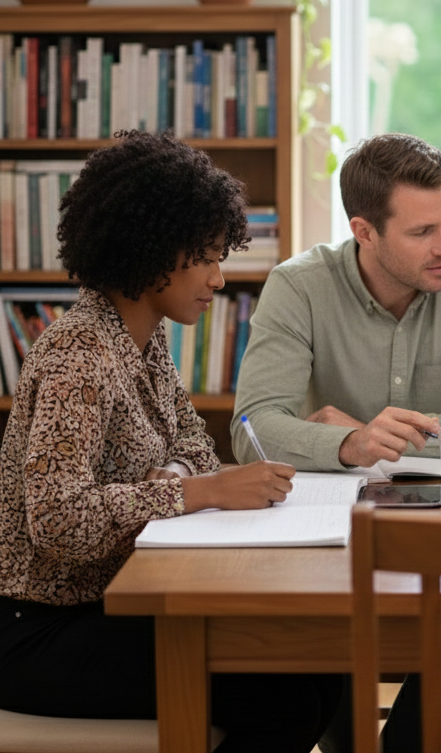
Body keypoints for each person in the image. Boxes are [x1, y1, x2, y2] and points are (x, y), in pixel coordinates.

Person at [0, 131, 342, 753]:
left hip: (107, 602)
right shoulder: (81, 353)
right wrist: (192, 492)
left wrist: (176, 478)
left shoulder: (144, 335)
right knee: (287, 697)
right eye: (206, 257)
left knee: (321, 666)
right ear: (150, 248)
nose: (219, 277)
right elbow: (55, 517)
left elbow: (194, 443)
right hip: (35, 628)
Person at [231, 131, 441, 752]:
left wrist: (364, 437)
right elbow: (254, 427)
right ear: (364, 231)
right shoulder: (299, 286)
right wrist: (351, 447)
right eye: (423, 232)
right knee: (329, 621)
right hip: (330, 535)